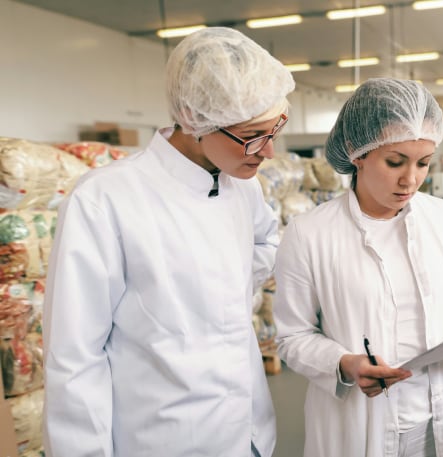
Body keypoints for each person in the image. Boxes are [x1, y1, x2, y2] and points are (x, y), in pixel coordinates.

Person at [42, 27, 294, 457]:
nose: (268, 152)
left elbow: (265, 241)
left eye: (276, 129)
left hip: (248, 430)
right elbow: (74, 359)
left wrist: (223, 294)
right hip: (164, 438)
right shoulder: (105, 201)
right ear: (198, 121)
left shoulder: (242, 187)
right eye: (254, 135)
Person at [273, 78, 443, 457]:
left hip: (437, 418)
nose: (410, 179)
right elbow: (292, 336)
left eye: (423, 163)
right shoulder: (309, 233)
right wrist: (345, 364)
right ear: (357, 152)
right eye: (395, 162)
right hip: (358, 425)